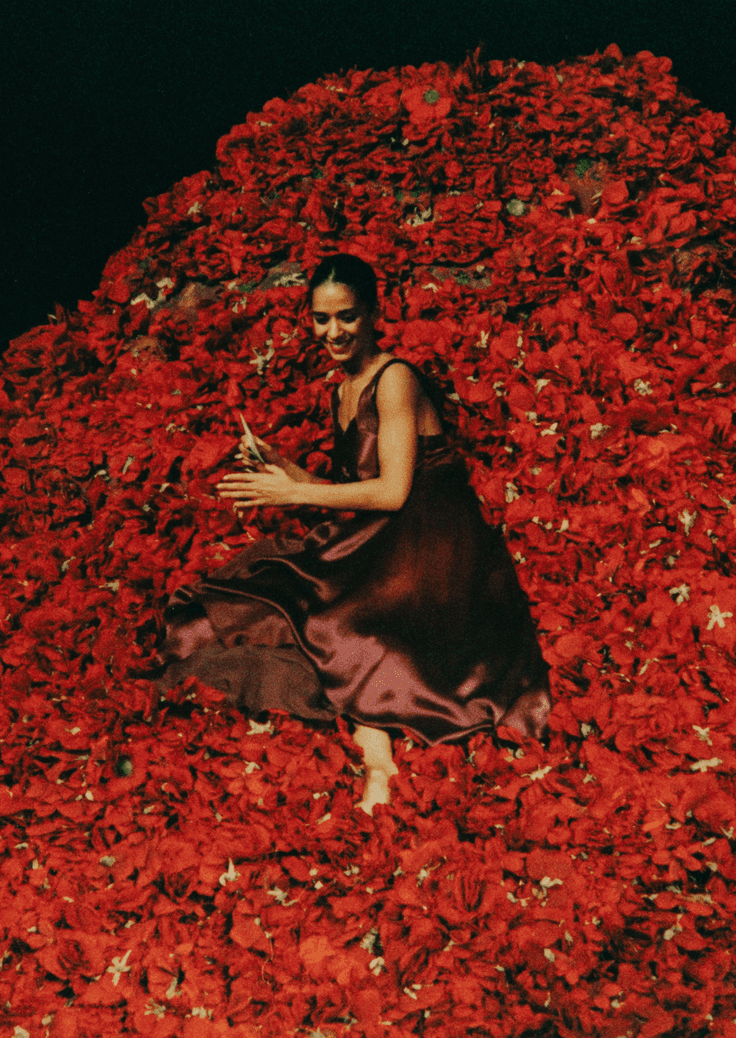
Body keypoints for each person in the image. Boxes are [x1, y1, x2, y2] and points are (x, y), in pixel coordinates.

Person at [154, 254, 550, 814]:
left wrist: (292, 494)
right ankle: (377, 757)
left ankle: (378, 764)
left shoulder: (395, 380)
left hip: (432, 545)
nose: (333, 332)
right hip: (383, 538)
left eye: (346, 317)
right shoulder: (343, 389)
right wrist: (287, 469)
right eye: (320, 319)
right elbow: (351, 489)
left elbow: (392, 492)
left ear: (372, 314)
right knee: (269, 602)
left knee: (341, 625)